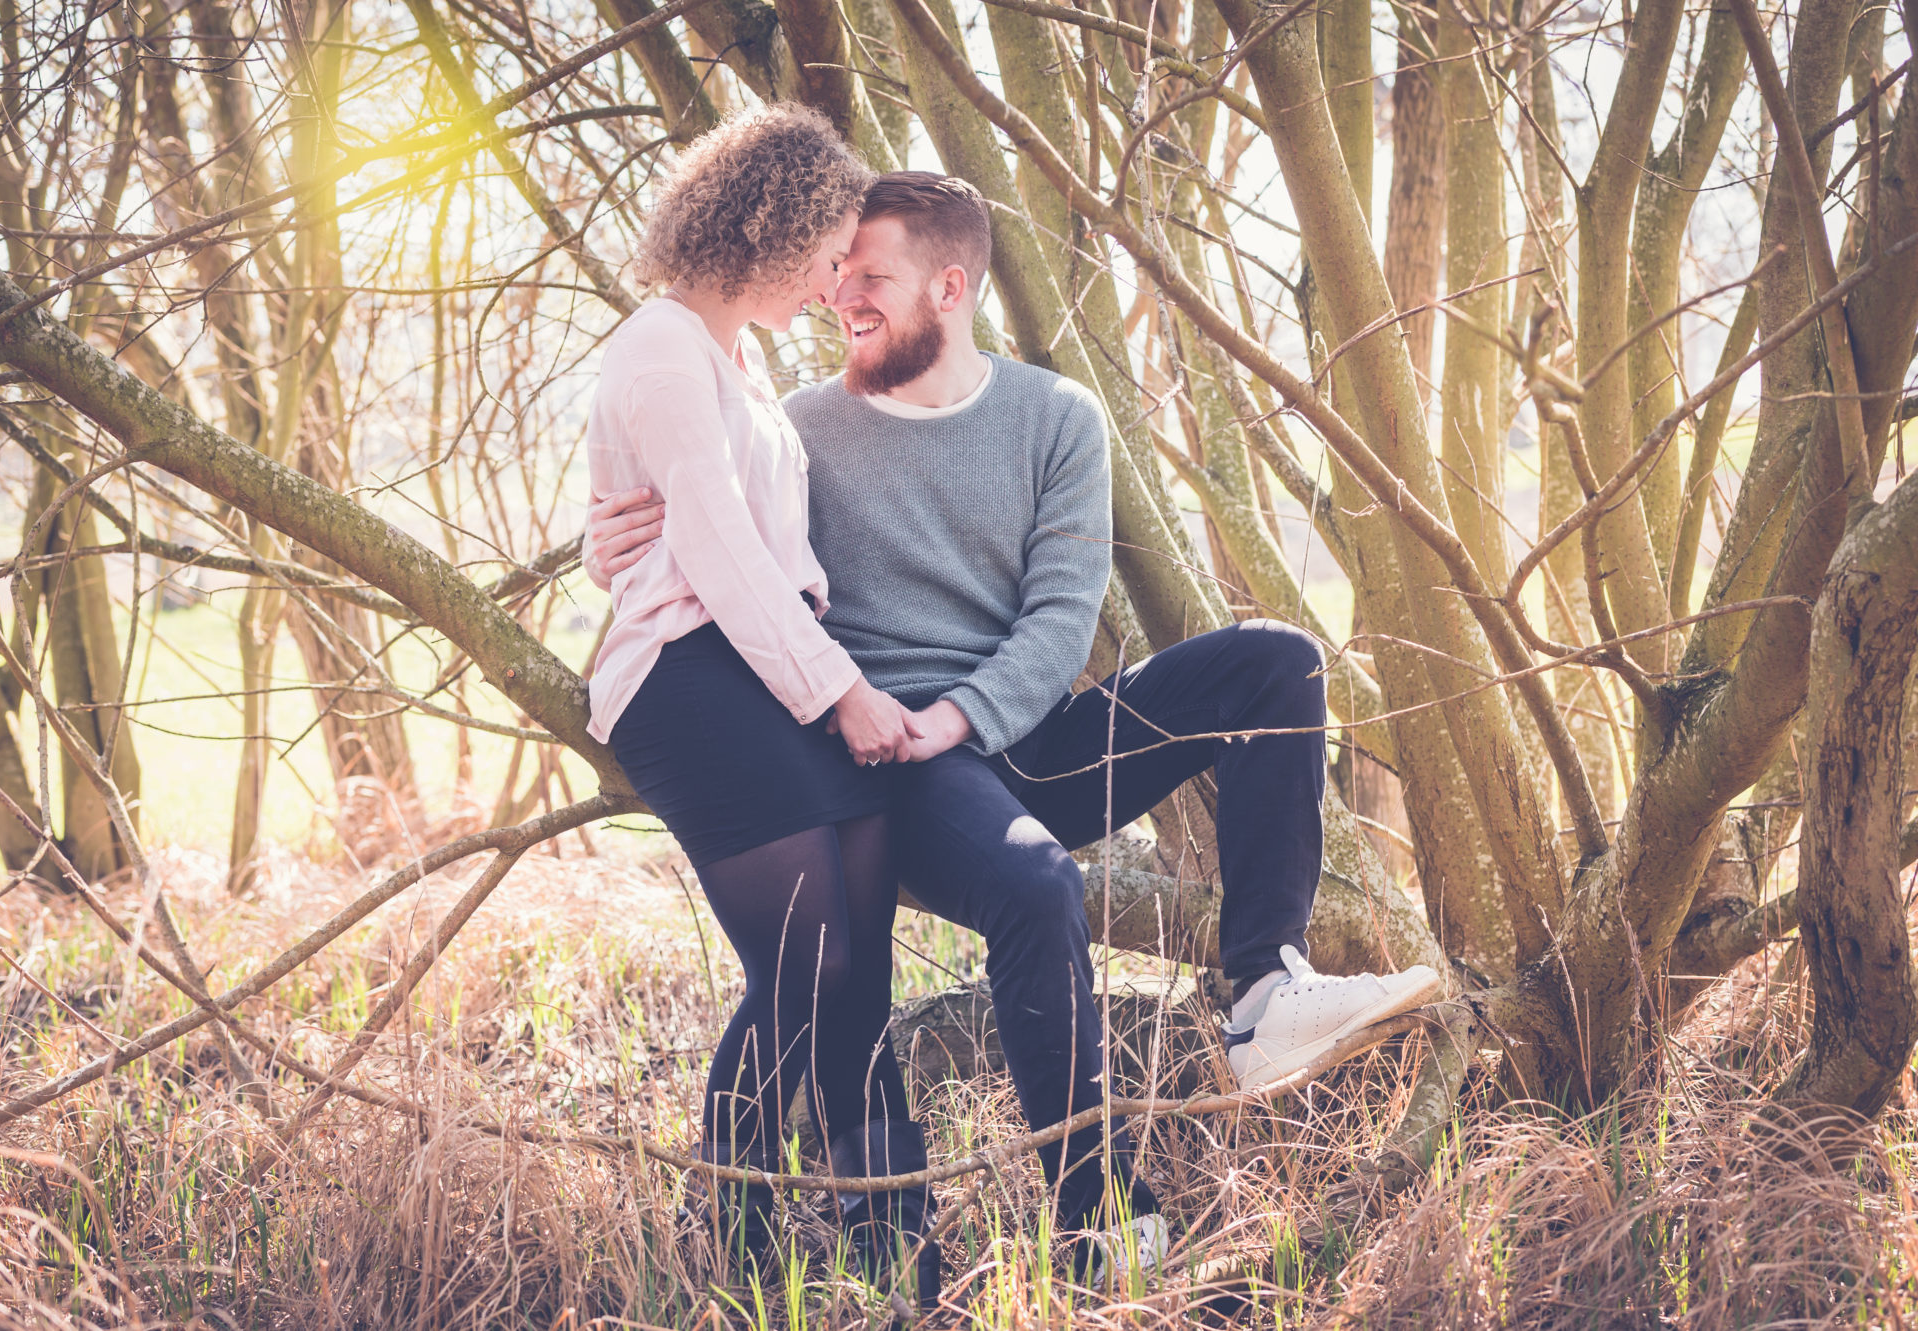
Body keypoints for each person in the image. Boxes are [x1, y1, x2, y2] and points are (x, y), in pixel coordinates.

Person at [588, 171, 1440, 1281]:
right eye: (835, 274)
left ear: (950, 285)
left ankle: (1266, 992)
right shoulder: (794, 429)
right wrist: (615, 538)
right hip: (891, 757)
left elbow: (1059, 615)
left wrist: (964, 714)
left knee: (1273, 664)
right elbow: (715, 543)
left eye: (871, 276)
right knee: (1033, 888)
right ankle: (1094, 1212)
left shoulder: (1055, 417)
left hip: (1004, 732)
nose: (843, 295)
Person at [583, 107, 936, 1302]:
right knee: (807, 961)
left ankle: (891, 1242)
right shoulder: (660, 349)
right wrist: (839, 693)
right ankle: (729, 1242)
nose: (840, 274)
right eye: (830, 244)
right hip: (690, 678)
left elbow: (723, 534)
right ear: (771, 225)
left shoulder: (733, 361)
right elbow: (717, 552)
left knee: (855, 967)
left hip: (766, 662)